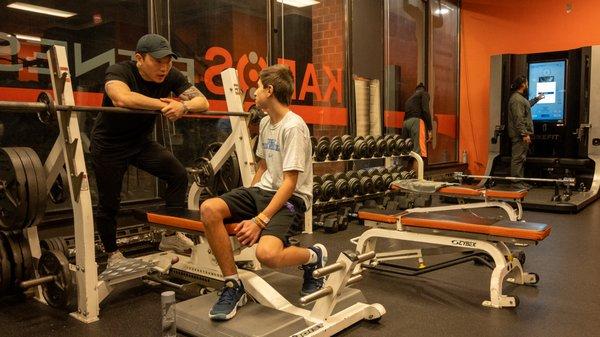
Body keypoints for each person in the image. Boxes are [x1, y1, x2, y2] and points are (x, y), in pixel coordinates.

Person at [200, 64, 325, 321]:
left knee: (267, 255)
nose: (254, 93)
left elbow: (290, 182)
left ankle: (313, 257)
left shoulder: (293, 127)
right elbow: (263, 165)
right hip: (263, 190)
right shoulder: (267, 122)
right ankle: (233, 284)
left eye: (257, 87)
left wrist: (260, 219)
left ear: (269, 90)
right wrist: (249, 195)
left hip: (291, 198)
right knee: (209, 209)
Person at [90, 34, 209, 267]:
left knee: (177, 174)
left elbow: (203, 102)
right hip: (109, 144)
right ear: (139, 58)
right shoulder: (119, 71)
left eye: (168, 62)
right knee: (109, 201)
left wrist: (183, 105)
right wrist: (167, 105)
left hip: (140, 143)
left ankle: (170, 236)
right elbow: (121, 98)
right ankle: (112, 254)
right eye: (157, 61)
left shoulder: (171, 75)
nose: (164, 68)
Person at [507, 75, 544, 189]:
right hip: (519, 136)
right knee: (518, 159)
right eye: (526, 83)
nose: (527, 84)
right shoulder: (516, 100)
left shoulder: (519, 98)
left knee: (521, 158)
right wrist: (524, 134)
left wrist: (536, 99)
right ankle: (516, 183)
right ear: (523, 84)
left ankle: (520, 181)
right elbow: (519, 119)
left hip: (520, 135)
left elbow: (526, 105)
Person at [402, 82, 432, 169]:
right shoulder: (424, 94)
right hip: (416, 121)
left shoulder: (409, 99)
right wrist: (430, 129)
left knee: (409, 153)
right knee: (418, 154)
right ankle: (418, 181)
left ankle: (408, 178)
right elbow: (426, 110)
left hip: (405, 123)